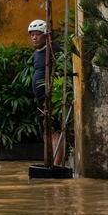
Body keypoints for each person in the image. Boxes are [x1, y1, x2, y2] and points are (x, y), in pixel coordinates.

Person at [28, 19, 61, 164]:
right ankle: (49, 162)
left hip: (52, 98)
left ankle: (56, 164)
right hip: (40, 99)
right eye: (32, 35)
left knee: (55, 131)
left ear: (46, 35)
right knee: (45, 131)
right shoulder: (37, 53)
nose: (34, 38)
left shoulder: (54, 50)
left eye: (37, 34)